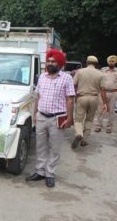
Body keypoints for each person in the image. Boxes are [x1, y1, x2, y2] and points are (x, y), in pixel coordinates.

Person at [25, 49, 75, 188]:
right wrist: (35, 113)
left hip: (57, 118)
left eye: (53, 61)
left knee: (54, 147)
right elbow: (38, 97)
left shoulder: (67, 78)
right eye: (49, 61)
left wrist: (69, 118)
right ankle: (40, 171)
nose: (50, 63)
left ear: (60, 63)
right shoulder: (42, 77)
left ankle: (50, 174)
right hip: (41, 116)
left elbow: (70, 99)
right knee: (40, 146)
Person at [72, 56, 107, 149]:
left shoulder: (80, 71)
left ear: (87, 62)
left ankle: (79, 133)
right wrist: (105, 103)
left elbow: (73, 84)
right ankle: (85, 140)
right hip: (94, 98)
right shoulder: (101, 74)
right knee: (89, 119)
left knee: (78, 120)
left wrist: (74, 96)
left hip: (82, 97)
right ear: (96, 64)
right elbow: (103, 90)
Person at [94, 55, 117, 133]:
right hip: (103, 92)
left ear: (115, 62)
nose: (111, 62)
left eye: (113, 61)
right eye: (110, 61)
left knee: (111, 110)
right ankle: (98, 126)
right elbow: (99, 81)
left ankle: (109, 127)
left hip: (113, 93)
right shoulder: (103, 70)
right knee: (100, 109)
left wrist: (116, 90)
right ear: (108, 62)